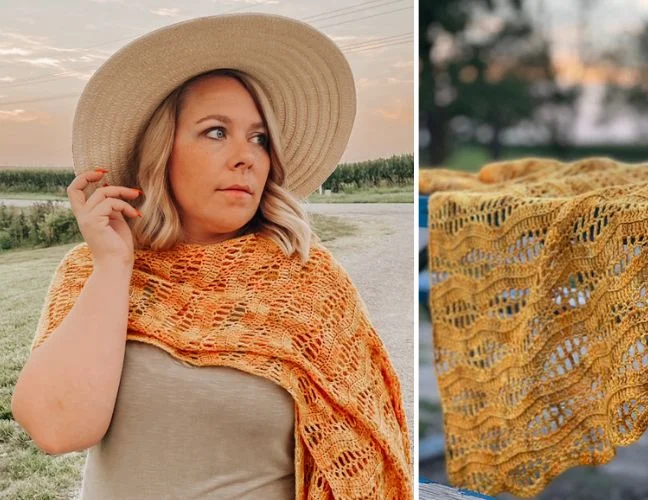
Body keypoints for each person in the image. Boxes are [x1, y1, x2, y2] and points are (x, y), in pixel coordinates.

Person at [11, 13, 412, 499]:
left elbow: (367, 460)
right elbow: (57, 429)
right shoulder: (93, 270)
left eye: (260, 138)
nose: (246, 155)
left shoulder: (308, 284)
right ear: (162, 153)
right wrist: (114, 266)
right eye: (216, 132)